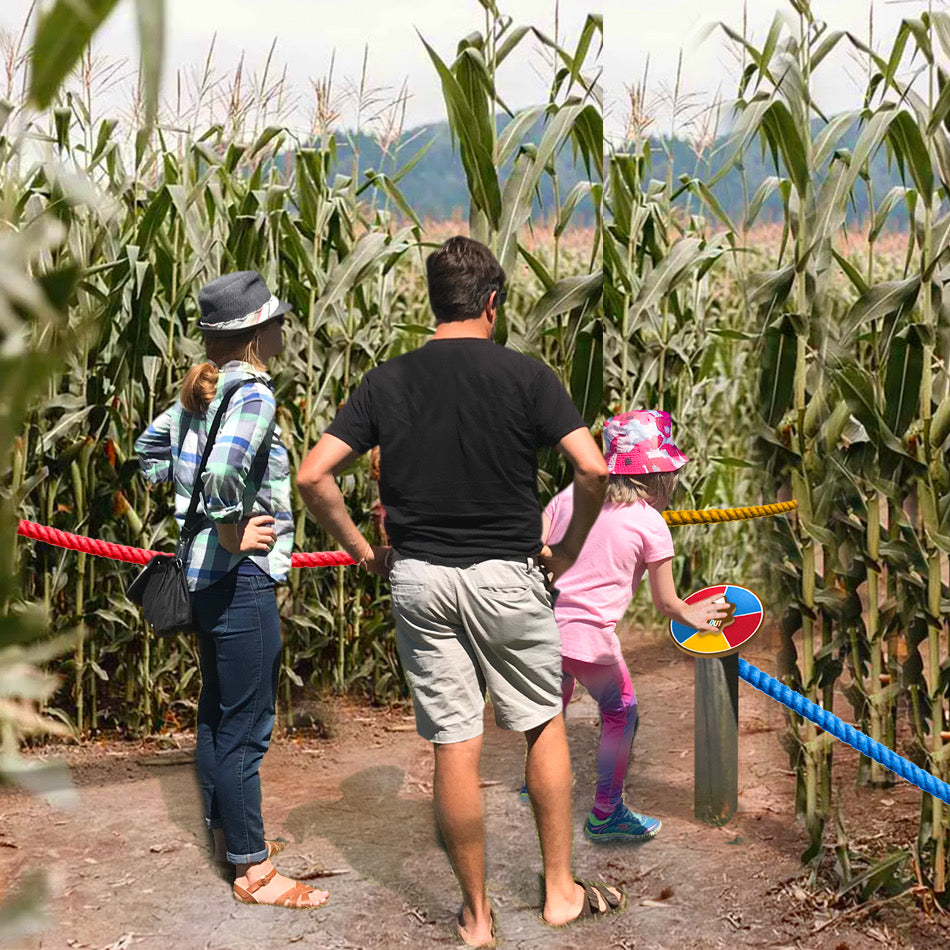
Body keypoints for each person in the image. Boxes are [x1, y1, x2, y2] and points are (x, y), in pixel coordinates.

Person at [297, 236, 623, 948]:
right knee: (540, 722)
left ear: (435, 301)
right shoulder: (527, 376)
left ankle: (476, 916)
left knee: (455, 739)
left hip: (419, 577)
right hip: (509, 575)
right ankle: (560, 891)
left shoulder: (389, 380)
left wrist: (361, 552)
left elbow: (312, 475)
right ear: (492, 302)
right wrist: (565, 548)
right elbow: (594, 472)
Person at [135, 271, 327, 909]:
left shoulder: (200, 393)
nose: (281, 330)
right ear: (254, 333)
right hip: (241, 579)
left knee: (218, 716)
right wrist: (227, 530)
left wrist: (185, 504)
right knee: (247, 726)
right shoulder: (251, 396)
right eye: (274, 321)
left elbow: (148, 449)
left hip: (204, 580)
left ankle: (228, 842)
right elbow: (223, 477)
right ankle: (254, 871)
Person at [540, 409, 730, 842]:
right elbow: (667, 603)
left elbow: (540, 552)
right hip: (590, 639)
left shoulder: (568, 499)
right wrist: (695, 614)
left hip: (545, 629)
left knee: (553, 707)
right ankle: (606, 813)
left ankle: (537, 786)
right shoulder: (651, 524)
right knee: (621, 712)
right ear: (658, 475)